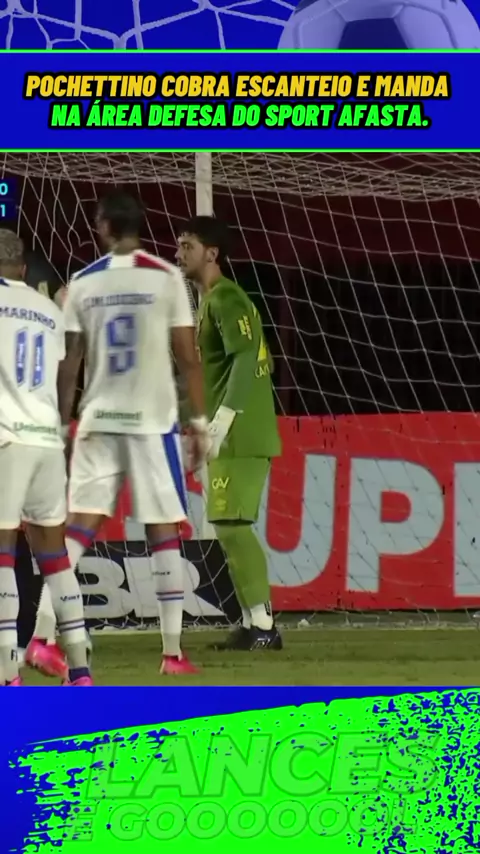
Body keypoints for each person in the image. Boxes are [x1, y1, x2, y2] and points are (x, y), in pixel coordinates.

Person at [31, 191, 209, 678]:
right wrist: (198, 422)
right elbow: (188, 357)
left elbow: (70, 363)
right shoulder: (167, 277)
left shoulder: (83, 282)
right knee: (163, 530)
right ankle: (171, 653)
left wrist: (61, 424)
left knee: (76, 530)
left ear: (104, 227)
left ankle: (42, 638)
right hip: (151, 421)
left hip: (98, 419)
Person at [176, 216, 283, 651]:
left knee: (233, 526)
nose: (179, 254)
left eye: (187, 246)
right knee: (226, 526)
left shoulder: (226, 298)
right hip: (232, 430)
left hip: (240, 432)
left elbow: (247, 357)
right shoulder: (210, 302)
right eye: (179, 246)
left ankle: (265, 625)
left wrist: (221, 422)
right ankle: (251, 621)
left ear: (212, 253)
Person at [0, 229, 91, 686]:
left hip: (7, 439)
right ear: (23, 268)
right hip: (46, 439)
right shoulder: (49, 311)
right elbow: (63, 371)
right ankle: (81, 672)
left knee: (2, 557)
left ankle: (7, 676)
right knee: (55, 559)